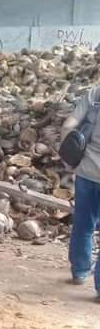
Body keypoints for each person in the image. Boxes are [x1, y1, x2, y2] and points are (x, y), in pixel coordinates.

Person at [62, 86, 100, 297]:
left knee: (83, 224)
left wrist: (68, 156)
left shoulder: (95, 94)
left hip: (86, 173)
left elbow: (70, 124)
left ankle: (79, 271)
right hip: (87, 173)